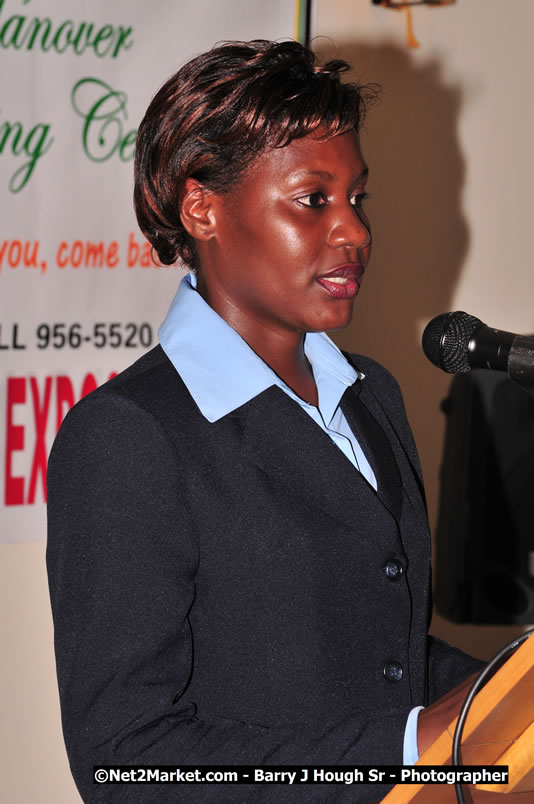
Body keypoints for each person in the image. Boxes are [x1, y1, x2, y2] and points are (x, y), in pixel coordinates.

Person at [47, 40, 483, 803]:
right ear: (203, 208)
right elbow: (126, 761)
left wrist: (499, 693)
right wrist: (409, 746)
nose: (354, 231)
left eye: (358, 198)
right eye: (314, 200)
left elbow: (385, 655)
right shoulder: (128, 435)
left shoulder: (369, 394)